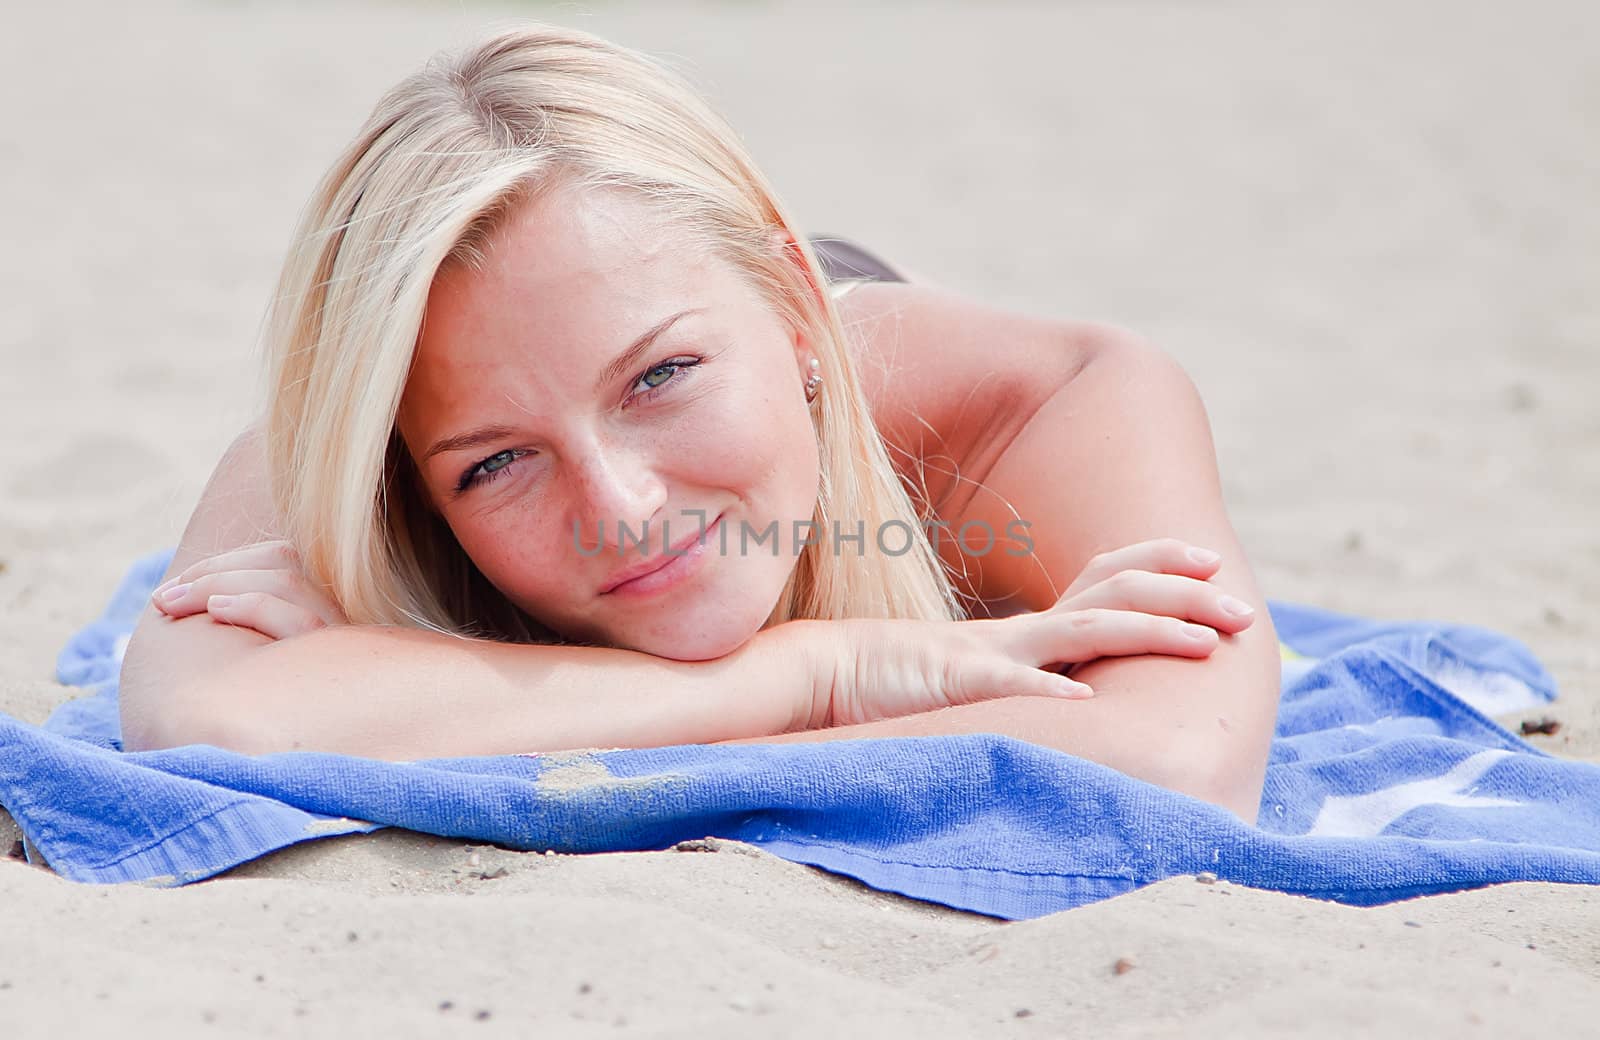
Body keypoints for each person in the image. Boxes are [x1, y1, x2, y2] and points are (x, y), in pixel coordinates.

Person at [119, 23, 1280, 821]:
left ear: (788, 310)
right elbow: (210, 718)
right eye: (499, 463)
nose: (619, 507)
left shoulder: (1037, 405)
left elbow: (1176, 764)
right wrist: (819, 671)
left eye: (660, 378)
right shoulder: (357, 442)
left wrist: (437, 706)